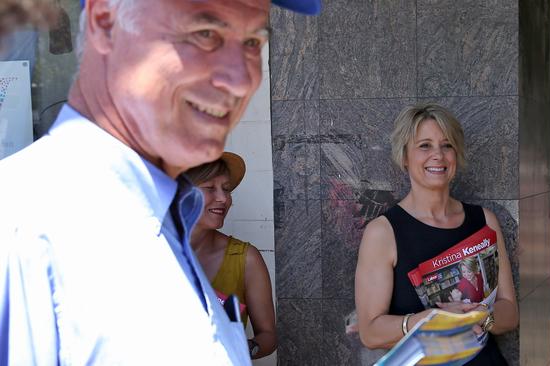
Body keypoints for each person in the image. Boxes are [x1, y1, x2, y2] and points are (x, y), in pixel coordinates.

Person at [0, 0, 319, 365]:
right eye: (205, 34)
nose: (240, 78)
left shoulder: (165, 222)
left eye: (252, 43)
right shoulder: (24, 225)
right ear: (106, 24)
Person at [354, 102, 518, 365]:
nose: (438, 155)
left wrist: (479, 316)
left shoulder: (484, 221)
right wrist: (426, 321)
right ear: (405, 156)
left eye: (447, 145)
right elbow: (370, 333)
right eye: (425, 145)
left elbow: (510, 312)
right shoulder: (383, 233)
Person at [186, 152, 276, 359]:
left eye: (226, 189)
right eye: (210, 188)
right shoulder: (149, 251)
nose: (223, 198)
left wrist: (242, 348)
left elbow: (268, 335)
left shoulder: (245, 259)